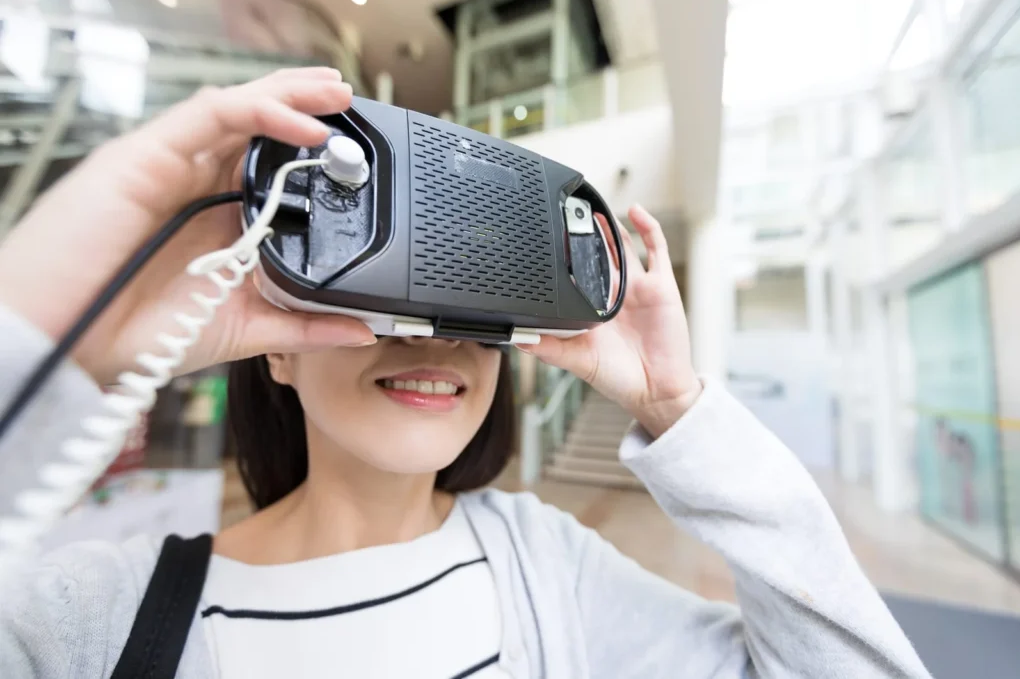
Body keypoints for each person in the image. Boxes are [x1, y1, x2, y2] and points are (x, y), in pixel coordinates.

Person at [0, 69, 931, 679]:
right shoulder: (96, 618)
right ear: (273, 344)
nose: (436, 337)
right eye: (393, 296)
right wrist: (54, 327)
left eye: (477, 298)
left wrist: (677, 409)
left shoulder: (547, 567)